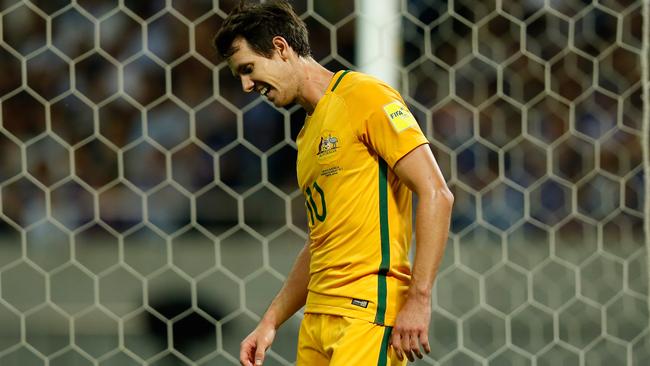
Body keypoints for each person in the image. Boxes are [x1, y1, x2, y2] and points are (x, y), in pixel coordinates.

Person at [213, 1, 453, 365]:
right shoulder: (307, 136)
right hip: (318, 318)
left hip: (366, 312)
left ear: (281, 48)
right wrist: (270, 321)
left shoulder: (365, 97)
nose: (246, 85)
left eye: (248, 69)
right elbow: (320, 242)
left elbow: (437, 193)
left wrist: (419, 298)